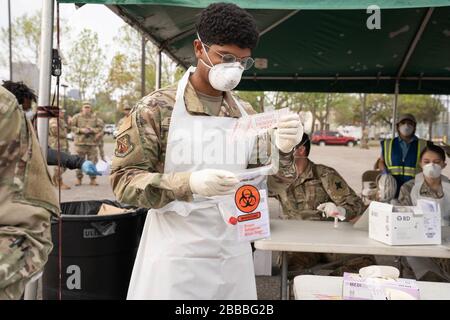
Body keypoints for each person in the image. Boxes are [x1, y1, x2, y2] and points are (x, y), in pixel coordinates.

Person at [110, 2, 302, 299]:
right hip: (176, 255)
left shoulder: (245, 114)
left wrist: (284, 150)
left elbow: (272, 184)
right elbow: (124, 183)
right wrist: (189, 183)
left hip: (231, 251)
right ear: (199, 48)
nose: (234, 68)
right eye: (225, 57)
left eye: (242, 62)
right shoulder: (156, 109)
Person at [274, 133, 373, 274]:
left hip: (329, 239)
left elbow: (356, 204)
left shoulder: (324, 174)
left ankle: (328, 288)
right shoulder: (278, 178)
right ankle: (302, 291)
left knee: (364, 262)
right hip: (298, 242)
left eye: (284, 148)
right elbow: (252, 191)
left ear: (300, 150)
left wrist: (340, 210)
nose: (279, 152)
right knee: (289, 265)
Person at [0, 85, 59, 300]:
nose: (27, 111)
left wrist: (77, 161)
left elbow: (26, 226)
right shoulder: (10, 113)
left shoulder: (6, 112)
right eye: (25, 108)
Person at [1, 81, 100, 178]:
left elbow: (40, 151)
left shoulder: (20, 127)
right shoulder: (10, 127)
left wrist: (79, 162)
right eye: (25, 110)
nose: (27, 115)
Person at [398, 144, 450, 281]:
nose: (431, 165)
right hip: (417, 241)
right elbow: (402, 219)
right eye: (427, 162)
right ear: (420, 164)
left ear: (444, 164)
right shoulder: (408, 188)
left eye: (437, 162)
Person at [378, 113, 429, 197]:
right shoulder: (388, 144)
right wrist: (384, 173)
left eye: (410, 123)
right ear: (398, 126)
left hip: (414, 188)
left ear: (414, 127)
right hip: (391, 187)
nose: (406, 126)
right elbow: (381, 161)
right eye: (403, 123)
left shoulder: (424, 144)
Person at [71, 102, 104, 186]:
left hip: (92, 144)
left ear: (90, 108)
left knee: (93, 162)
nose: (87, 109)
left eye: (88, 107)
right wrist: (81, 130)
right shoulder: (76, 117)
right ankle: (79, 179)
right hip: (80, 144)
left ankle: (93, 179)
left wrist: (92, 130)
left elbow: (100, 128)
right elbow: (72, 127)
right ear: (82, 108)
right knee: (78, 162)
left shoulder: (95, 118)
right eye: (85, 107)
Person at [49, 109, 71, 189]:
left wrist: (69, 123)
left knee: (65, 163)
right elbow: (55, 131)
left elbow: (68, 130)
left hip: (64, 145)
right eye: (61, 112)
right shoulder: (53, 121)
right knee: (59, 164)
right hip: (57, 145)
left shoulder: (61, 121)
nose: (63, 114)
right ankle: (58, 182)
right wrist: (64, 134)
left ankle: (55, 179)